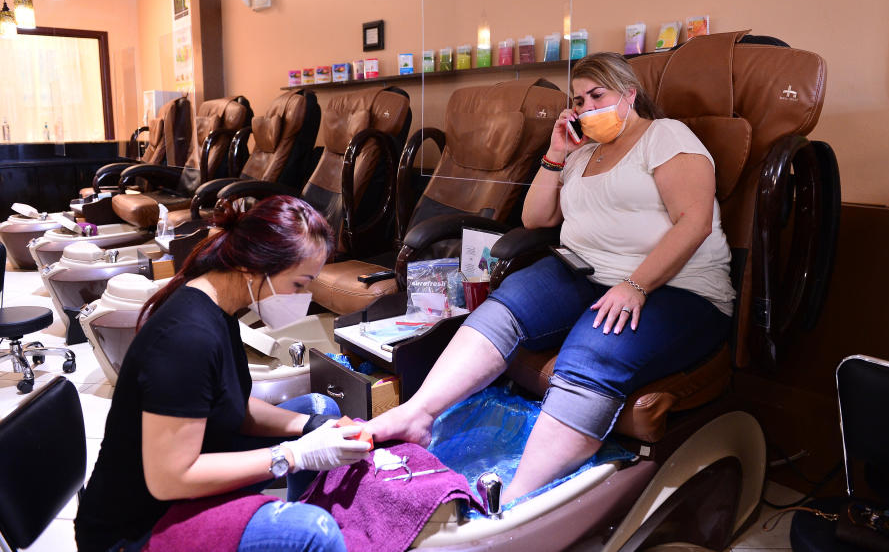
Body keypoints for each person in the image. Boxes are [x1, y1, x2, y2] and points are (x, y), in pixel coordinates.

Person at [368, 52, 736, 505]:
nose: (586, 107)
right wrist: (557, 153)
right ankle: (417, 415)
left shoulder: (665, 136)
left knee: (593, 347)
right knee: (505, 305)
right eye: (579, 100)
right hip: (587, 270)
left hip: (678, 286)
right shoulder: (583, 153)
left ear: (629, 94)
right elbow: (536, 216)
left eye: (597, 95)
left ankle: (514, 500)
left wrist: (635, 285)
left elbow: (694, 222)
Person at [75, 196, 372, 552]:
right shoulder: (187, 338)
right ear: (252, 268)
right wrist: (295, 454)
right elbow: (170, 479)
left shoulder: (220, 305)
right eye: (299, 284)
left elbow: (233, 406)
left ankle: (286, 523)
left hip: (189, 472)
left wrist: (309, 429)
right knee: (312, 532)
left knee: (320, 409)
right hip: (138, 527)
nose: (303, 297)